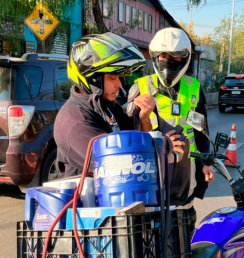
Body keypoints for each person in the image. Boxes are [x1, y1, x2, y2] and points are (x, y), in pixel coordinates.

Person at [54, 32, 189, 192]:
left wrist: (143, 118)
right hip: (89, 208)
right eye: (113, 78)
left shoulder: (107, 107)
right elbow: (117, 164)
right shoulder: (76, 120)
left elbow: (132, 136)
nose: (119, 85)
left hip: (116, 201)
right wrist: (161, 145)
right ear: (92, 78)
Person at [127, 27, 215, 237]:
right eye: (163, 56)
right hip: (151, 171)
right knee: (152, 231)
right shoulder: (140, 88)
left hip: (186, 171)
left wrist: (205, 163)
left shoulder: (194, 88)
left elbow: (201, 130)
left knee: (184, 227)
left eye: (175, 56)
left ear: (184, 58)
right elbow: (129, 137)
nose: (168, 61)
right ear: (155, 57)